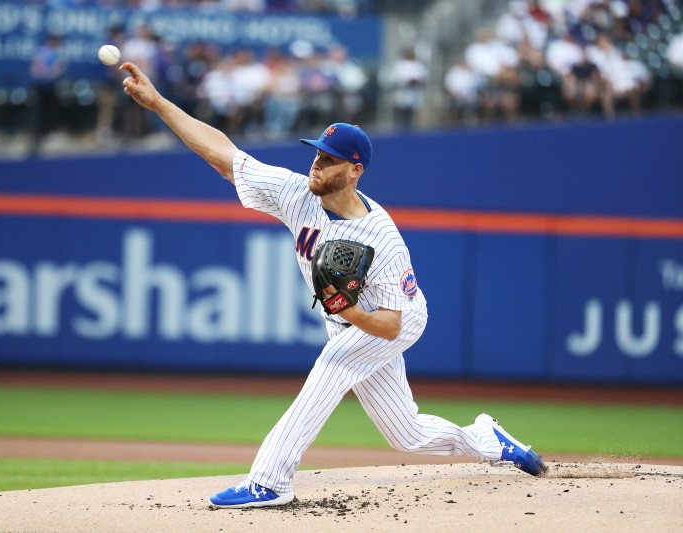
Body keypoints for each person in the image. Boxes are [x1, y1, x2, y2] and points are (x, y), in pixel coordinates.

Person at [119, 60, 549, 509]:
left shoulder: (381, 238)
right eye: (317, 154)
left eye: (328, 160)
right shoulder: (297, 194)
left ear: (355, 170)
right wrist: (159, 104)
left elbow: (389, 325)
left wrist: (350, 312)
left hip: (392, 319)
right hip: (350, 321)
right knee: (407, 434)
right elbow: (224, 155)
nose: (316, 165)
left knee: (332, 367)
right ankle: (488, 440)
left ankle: (269, 480)